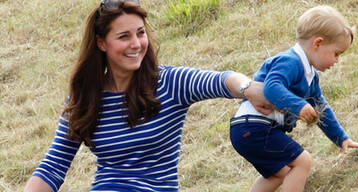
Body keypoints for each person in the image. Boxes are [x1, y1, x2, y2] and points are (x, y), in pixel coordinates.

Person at [23, 0, 273, 191]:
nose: (136, 44)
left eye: (140, 33)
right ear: (101, 43)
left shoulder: (169, 83)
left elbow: (222, 79)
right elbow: (53, 166)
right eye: (124, 36)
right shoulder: (86, 96)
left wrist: (248, 88)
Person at [229, 5, 358, 192]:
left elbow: (321, 107)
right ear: (317, 43)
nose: (337, 61)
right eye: (336, 54)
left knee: (281, 173)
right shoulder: (291, 61)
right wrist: (299, 106)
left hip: (248, 129)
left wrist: (341, 138)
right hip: (253, 126)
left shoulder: (310, 75)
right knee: (303, 161)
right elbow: (271, 87)